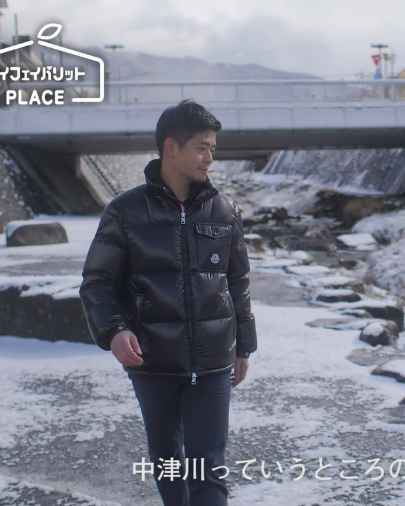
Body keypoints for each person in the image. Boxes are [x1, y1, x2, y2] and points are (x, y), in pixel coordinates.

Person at [80, 99, 256, 506]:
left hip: (212, 361)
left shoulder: (225, 210)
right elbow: (98, 281)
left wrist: (244, 345)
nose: (210, 158)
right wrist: (114, 330)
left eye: (213, 148)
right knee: (167, 460)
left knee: (208, 466)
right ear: (170, 148)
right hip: (151, 360)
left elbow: (238, 281)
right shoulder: (124, 211)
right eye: (202, 147)